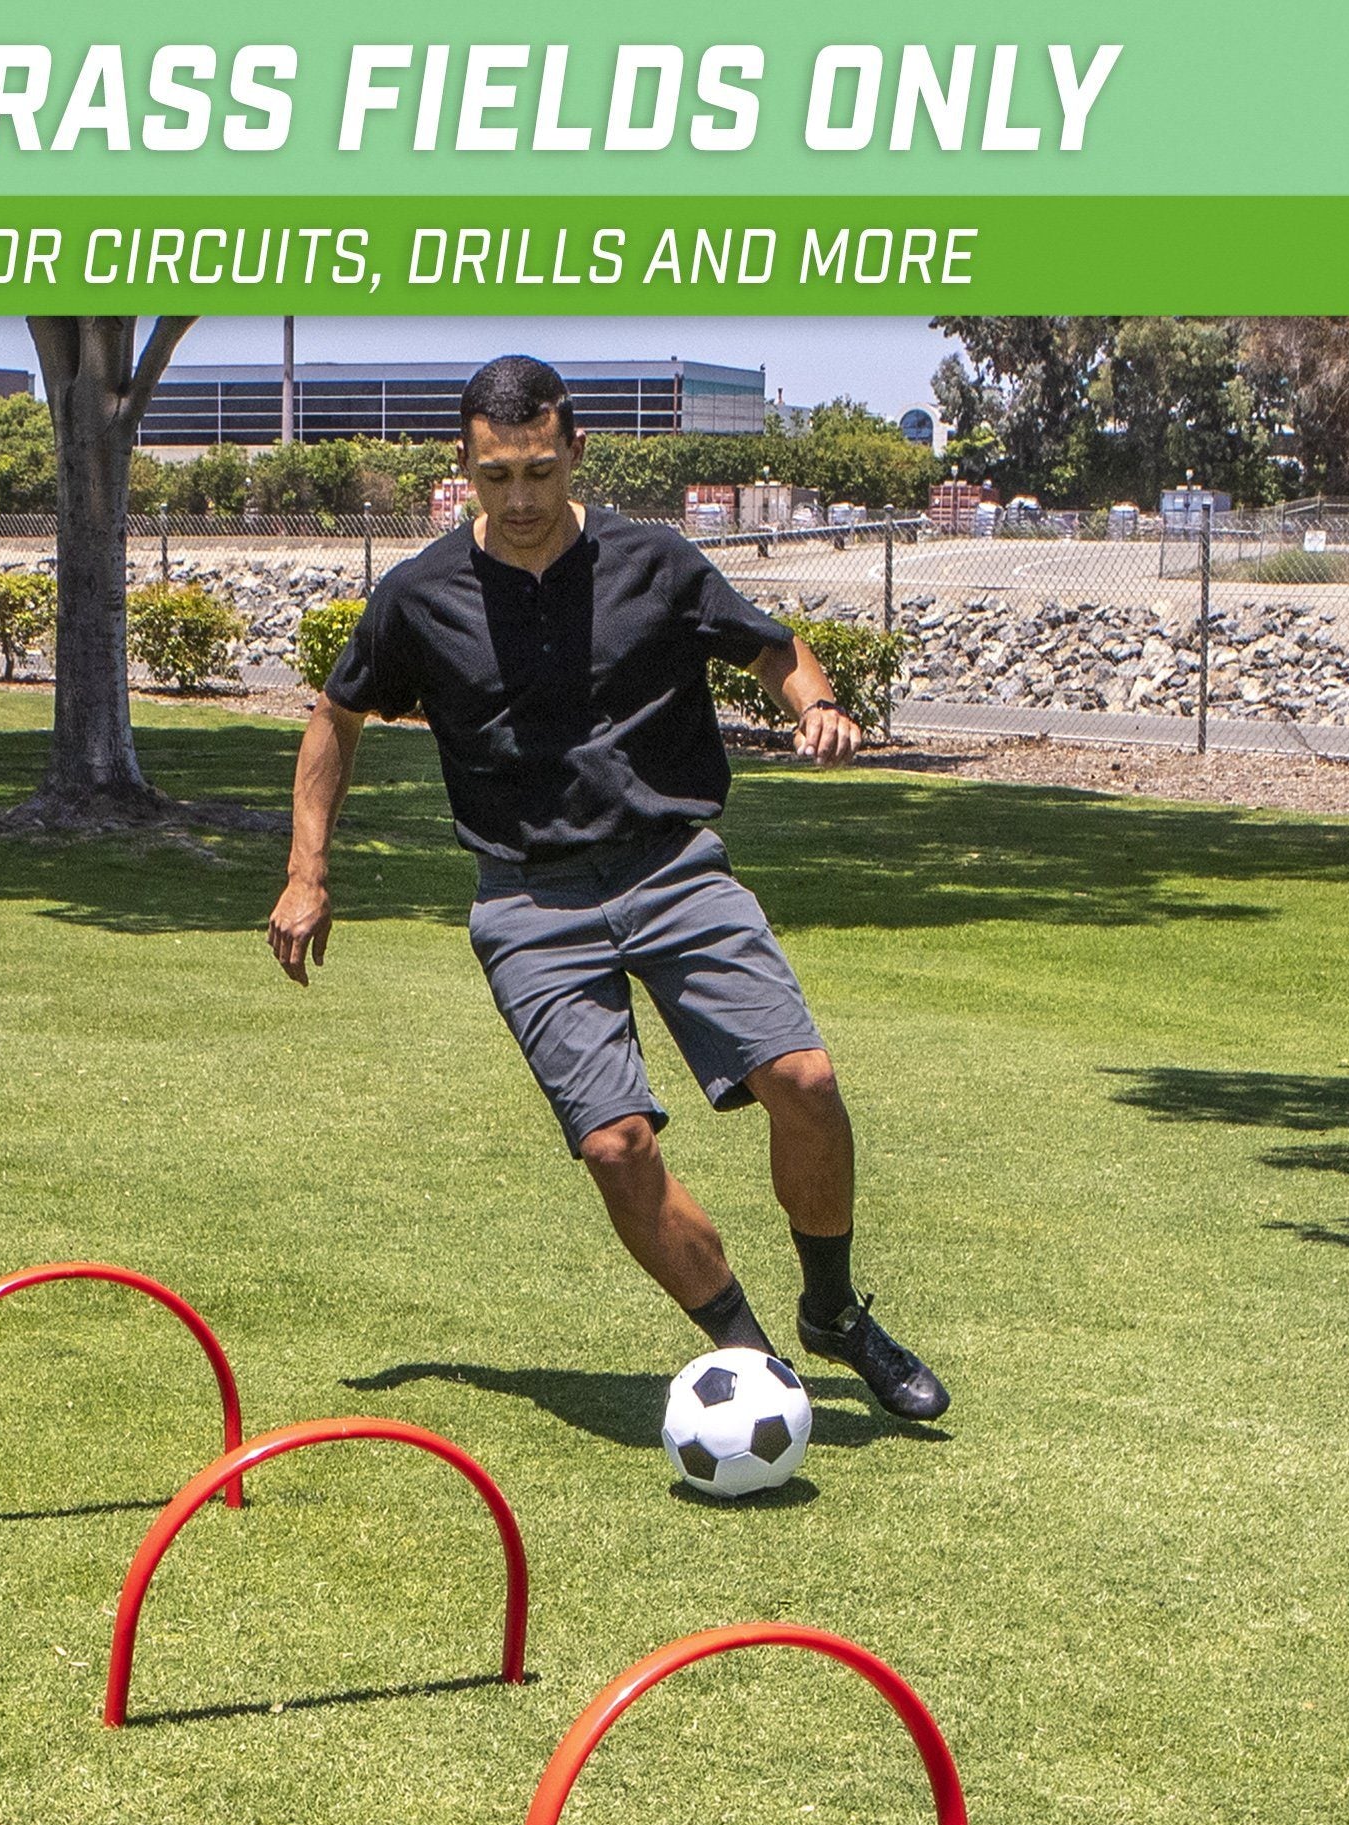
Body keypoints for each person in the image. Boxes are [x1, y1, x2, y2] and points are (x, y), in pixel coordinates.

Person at [265, 355, 948, 1421]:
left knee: (805, 1081)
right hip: (529, 905)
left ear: (575, 451)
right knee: (615, 1146)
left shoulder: (653, 561)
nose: (520, 499)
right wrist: (307, 871)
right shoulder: (419, 596)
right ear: (464, 468)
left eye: (539, 471)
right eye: (496, 476)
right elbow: (335, 718)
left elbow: (774, 650)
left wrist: (816, 705)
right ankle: (754, 1368)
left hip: (671, 868)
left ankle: (833, 1312)